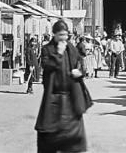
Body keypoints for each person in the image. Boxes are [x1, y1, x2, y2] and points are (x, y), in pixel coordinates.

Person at [35, 19, 92, 153]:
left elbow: (81, 65)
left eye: (65, 35)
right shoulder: (47, 49)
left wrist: (80, 73)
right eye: (60, 35)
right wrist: (58, 54)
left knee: (73, 140)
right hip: (53, 99)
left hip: (71, 99)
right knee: (49, 136)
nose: (63, 38)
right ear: (54, 34)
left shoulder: (71, 48)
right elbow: (46, 66)